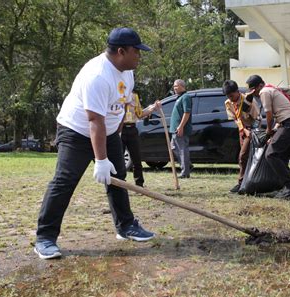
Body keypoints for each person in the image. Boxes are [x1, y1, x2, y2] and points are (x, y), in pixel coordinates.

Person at [34, 27, 158, 260]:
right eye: (136, 52)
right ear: (121, 51)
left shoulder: (127, 72)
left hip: (108, 131)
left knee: (118, 178)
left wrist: (117, 135)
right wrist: (101, 160)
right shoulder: (97, 76)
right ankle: (45, 238)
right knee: (65, 180)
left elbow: (123, 105)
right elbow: (94, 120)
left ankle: (126, 226)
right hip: (77, 130)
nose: (139, 56)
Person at [246, 75, 290, 199]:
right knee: (282, 156)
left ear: (260, 86)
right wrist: (274, 130)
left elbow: (269, 114)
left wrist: (268, 130)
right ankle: (286, 188)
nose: (255, 94)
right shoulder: (272, 90)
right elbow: (280, 114)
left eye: (254, 90)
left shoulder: (264, 91)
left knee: (271, 154)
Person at [222, 80, 260, 193]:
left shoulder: (248, 100)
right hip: (242, 131)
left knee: (243, 156)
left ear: (237, 92)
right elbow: (235, 118)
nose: (231, 98)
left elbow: (257, 118)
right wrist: (243, 129)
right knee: (245, 158)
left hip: (253, 130)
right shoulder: (228, 103)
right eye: (228, 96)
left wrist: (250, 131)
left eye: (232, 95)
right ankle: (246, 183)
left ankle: (242, 182)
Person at [121, 92, 160, 187]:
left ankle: (139, 184)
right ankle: (120, 183)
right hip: (120, 129)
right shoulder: (116, 94)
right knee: (118, 159)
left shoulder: (135, 96)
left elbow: (140, 114)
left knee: (136, 158)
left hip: (132, 129)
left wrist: (153, 108)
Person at [169, 79, 192, 179]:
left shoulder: (186, 97)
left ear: (182, 86)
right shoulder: (179, 97)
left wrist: (181, 126)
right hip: (175, 129)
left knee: (182, 150)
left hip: (180, 129)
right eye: (174, 86)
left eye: (176, 86)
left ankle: (185, 172)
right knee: (173, 147)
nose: (174, 88)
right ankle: (188, 165)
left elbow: (187, 113)